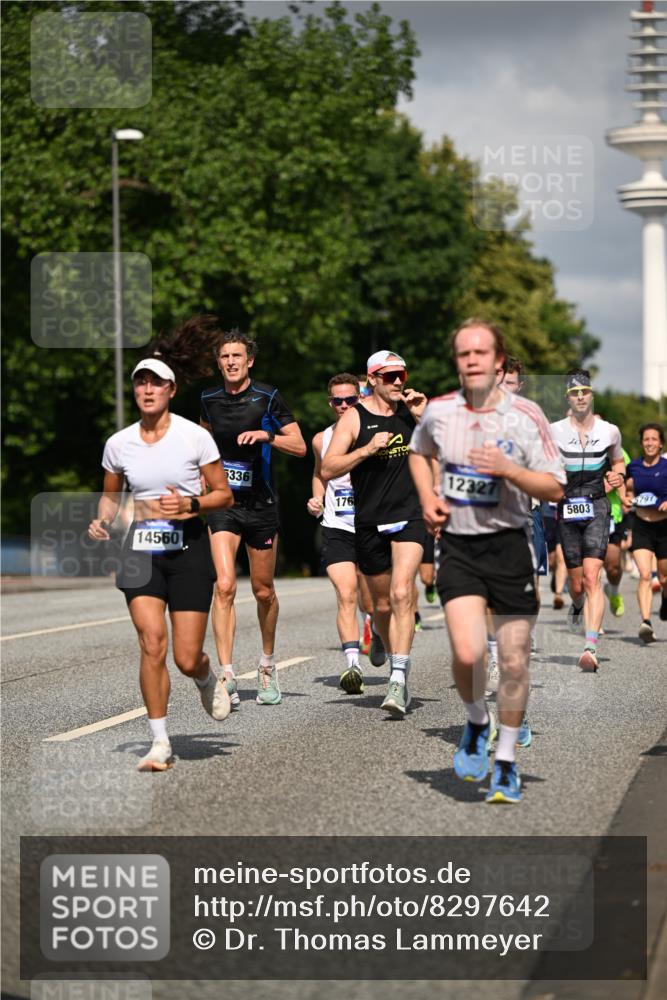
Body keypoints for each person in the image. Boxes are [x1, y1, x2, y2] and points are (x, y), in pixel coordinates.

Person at [409, 319, 565, 804]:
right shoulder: (439, 412)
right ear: (457, 361)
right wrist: (427, 498)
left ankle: (507, 760)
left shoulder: (527, 415)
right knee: (468, 653)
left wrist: (508, 470)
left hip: (510, 546)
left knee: (514, 662)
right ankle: (477, 720)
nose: (472, 359)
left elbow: (555, 487)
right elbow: (418, 453)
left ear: (498, 361)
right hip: (458, 545)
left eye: (481, 352)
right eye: (464, 353)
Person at [88, 352, 234, 772]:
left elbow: (224, 494)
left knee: (186, 657)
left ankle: (205, 676)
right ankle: (159, 742)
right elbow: (111, 497)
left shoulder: (194, 437)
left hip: (188, 549)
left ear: (171, 390)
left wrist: (191, 504)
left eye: (156, 383)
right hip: (141, 549)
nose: (147, 389)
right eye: (141, 382)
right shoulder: (119, 444)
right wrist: (103, 520)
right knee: (152, 643)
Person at [200, 324, 306, 707]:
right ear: (219, 363)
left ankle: (266, 663)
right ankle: (227, 674)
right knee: (225, 585)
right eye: (225, 357)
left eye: (237, 356)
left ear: (250, 361)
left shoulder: (267, 396)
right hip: (224, 505)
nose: (231, 362)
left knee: (263, 590)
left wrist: (267, 437)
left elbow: (300, 446)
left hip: (261, 504)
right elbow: (202, 444)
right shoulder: (208, 399)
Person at [321, 350, 427, 717]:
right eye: (389, 376)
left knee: (402, 592)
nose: (398, 382)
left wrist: (423, 417)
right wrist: (366, 449)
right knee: (380, 605)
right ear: (373, 380)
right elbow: (328, 468)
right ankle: (383, 637)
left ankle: (398, 677)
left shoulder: (412, 411)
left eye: (402, 375)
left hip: (410, 515)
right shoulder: (355, 417)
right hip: (369, 520)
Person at [550, 370, 626, 672]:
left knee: (593, 577)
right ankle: (578, 603)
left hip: (597, 506)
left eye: (584, 391)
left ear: (591, 394)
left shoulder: (610, 431)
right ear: (567, 397)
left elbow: (618, 461)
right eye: (574, 392)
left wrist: (617, 475)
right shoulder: (553, 431)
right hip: (567, 508)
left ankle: (590, 647)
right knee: (578, 583)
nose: (580, 396)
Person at [307, 373, 365, 693]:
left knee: (374, 601)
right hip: (337, 526)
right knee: (346, 594)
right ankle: (353, 666)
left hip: (371, 527)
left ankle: (377, 630)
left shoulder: (373, 433)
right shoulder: (321, 439)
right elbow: (319, 473)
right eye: (337, 400)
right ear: (330, 403)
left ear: (360, 399)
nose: (343, 405)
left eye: (350, 400)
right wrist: (317, 497)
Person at [626, 423, 667, 642]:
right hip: (641, 525)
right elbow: (621, 484)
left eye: (654, 439)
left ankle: (665, 600)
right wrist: (624, 497)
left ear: (661, 444)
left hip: (664, 527)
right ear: (642, 443)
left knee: (664, 577)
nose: (650, 443)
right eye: (646, 439)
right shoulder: (633, 467)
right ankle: (646, 622)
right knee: (644, 575)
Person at [604, 444, 632, 617]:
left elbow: (625, 477)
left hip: (612, 515)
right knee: (589, 571)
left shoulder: (617, 450)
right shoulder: (574, 447)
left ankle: (613, 591)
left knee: (613, 566)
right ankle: (592, 622)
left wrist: (622, 494)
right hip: (583, 514)